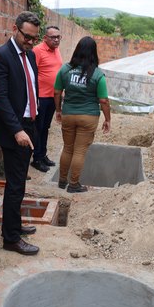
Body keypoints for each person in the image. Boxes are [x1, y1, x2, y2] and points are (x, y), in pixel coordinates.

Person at [0, 11, 41, 255]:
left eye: (34, 39)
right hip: (14, 130)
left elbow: (30, 89)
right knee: (15, 185)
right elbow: (1, 99)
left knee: (19, 183)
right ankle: (10, 238)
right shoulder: (1, 56)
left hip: (28, 125)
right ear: (15, 28)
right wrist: (18, 130)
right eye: (27, 37)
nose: (30, 42)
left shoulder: (28, 56)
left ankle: (16, 225)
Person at [53, 36, 111, 193]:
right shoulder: (98, 75)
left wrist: (58, 110)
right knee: (79, 151)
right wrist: (108, 119)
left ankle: (62, 181)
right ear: (94, 53)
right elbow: (104, 100)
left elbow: (57, 92)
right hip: (88, 116)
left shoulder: (65, 69)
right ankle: (73, 184)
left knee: (67, 148)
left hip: (68, 114)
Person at [31, 25, 63, 173]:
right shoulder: (37, 50)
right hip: (41, 97)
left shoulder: (56, 50)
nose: (56, 40)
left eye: (58, 37)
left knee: (46, 128)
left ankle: (43, 155)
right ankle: (36, 159)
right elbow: (31, 73)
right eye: (53, 37)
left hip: (53, 96)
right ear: (45, 38)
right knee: (38, 128)